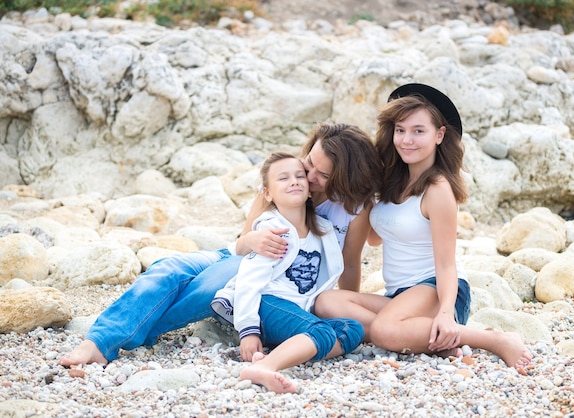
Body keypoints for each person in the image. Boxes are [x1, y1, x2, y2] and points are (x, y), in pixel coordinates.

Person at [59, 123, 382, 366]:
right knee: (168, 268)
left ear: (344, 179)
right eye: (309, 161)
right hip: (241, 256)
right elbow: (243, 242)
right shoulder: (286, 176)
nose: (307, 175)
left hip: (273, 282)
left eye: (321, 174)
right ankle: (104, 339)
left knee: (201, 292)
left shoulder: (354, 207)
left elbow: (349, 262)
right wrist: (252, 240)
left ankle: (104, 342)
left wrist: (330, 304)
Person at [314, 83, 532, 371]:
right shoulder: (393, 182)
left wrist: (444, 313)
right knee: (327, 303)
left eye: (419, 131)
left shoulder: (438, 189)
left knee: (383, 331)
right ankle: (427, 338)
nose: (407, 140)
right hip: (399, 296)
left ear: (439, 135)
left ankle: (490, 338)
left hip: (434, 288)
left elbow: (446, 264)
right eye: (400, 130)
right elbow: (378, 239)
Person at [210, 152, 364, 393]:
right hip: (267, 304)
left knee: (352, 328)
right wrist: (248, 331)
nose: (293, 181)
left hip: (296, 310)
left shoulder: (322, 230)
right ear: (268, 193)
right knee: (321, 331)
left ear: (310, 187)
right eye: (283, 178)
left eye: (299, 176)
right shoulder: (271, 230)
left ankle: (289, 348)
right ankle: (266, 367)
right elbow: (250, 281)